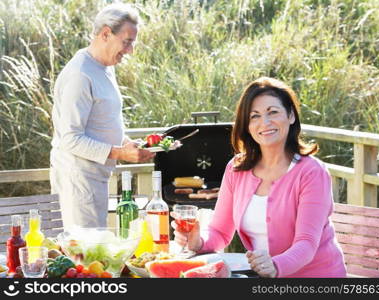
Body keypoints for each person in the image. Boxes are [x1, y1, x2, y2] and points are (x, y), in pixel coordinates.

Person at [172, 77, 347, 278]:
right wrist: (198, 242)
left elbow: (306, 243)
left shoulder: (312, 172)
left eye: (273, 112)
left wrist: (275, 266)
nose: (264, 123)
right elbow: (220, 231)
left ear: (291, 115)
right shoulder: (236, 169)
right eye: (254, 116)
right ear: (246, 125)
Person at [50, 3, 155, 229]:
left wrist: (126, 142)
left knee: (95, 249)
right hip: (79, 180)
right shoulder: (80, 74)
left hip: (95, 177)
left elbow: (103, 118)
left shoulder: (104, 67)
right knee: (86, 254)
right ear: (106, 33)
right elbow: (70, 139)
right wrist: (120, 153)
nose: (130, 50)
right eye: (127, 42)